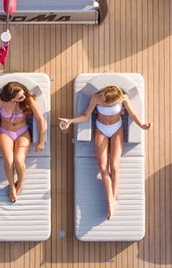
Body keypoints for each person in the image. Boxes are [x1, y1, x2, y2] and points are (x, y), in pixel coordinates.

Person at [58, 85, 151, 219]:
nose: (102, 98)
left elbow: (133, 114)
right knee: (103, 167)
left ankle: (111, 201)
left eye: (106, 99)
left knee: (114, 166)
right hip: (101, 129)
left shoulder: (123, 98)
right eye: (103, 96)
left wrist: (142, 125)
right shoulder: (96, 98)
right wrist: (70, 121)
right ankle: (111, 201)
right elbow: (85, 116)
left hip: (116, 128)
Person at [0, 81, 47, 203]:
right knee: (9, 160)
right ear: (11, 97)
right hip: (5, 132)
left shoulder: (28, 100)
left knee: (19, 160)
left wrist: (41, 140)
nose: (24, 97)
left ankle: (19, 183)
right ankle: (12, 186)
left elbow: (41, 119)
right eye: (20, 96)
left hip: (22, 131)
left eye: (24, 93)